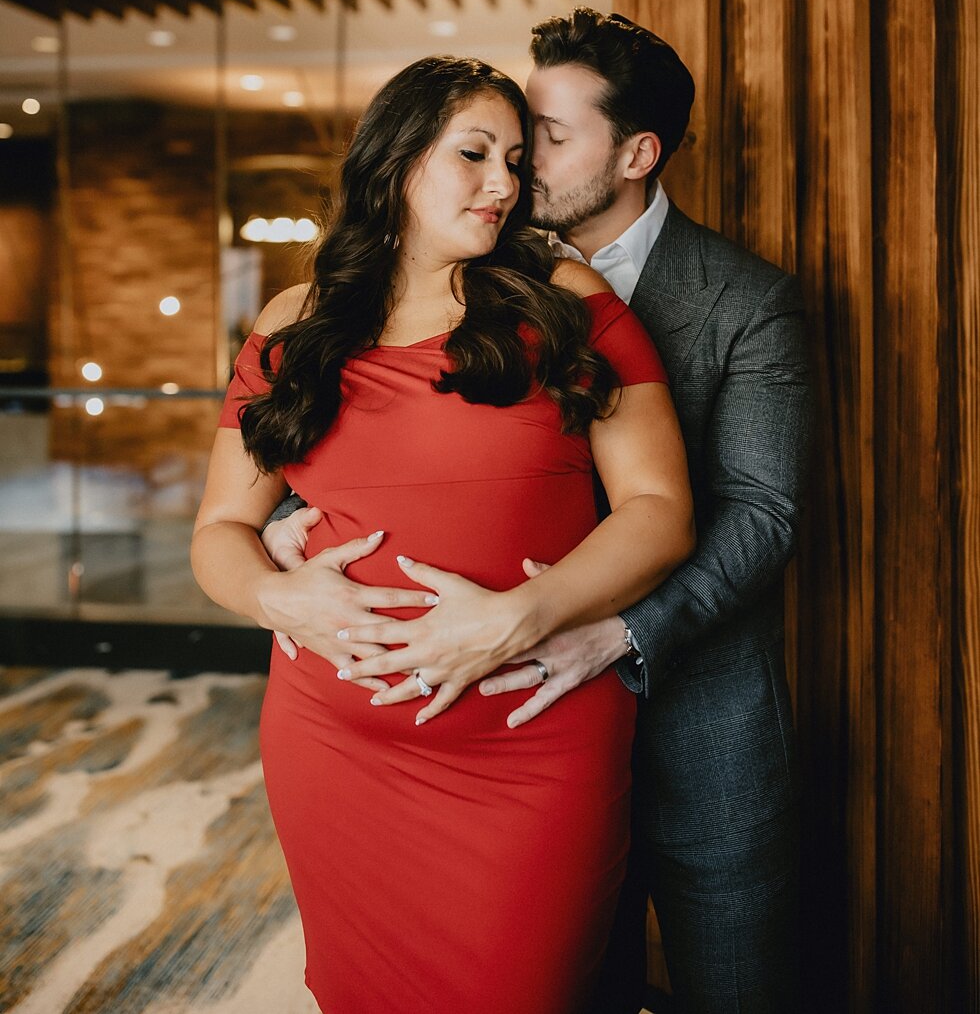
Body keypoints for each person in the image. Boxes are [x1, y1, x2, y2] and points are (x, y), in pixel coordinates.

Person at [265, 11, 812, 1014]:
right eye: (501, 142)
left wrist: (602, 629)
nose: (515, 169)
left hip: (687, 706)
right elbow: (384, 442)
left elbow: (761, 517)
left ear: (637, 153)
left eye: (544, 140)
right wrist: (285, 529)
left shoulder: (744, 297)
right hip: (489, 724)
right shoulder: (460, 280)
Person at [191, 54, 694, 1014]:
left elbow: (661, 512)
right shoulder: (295, 324)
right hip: (332, 746)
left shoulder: (565, 294)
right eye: (474, 154)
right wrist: (270, 592)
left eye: (515, 158)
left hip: (528, 744)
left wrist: (520, 615)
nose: (506, 183)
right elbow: (220, 528)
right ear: (396, 161)